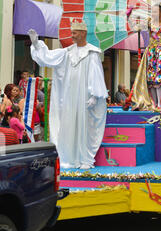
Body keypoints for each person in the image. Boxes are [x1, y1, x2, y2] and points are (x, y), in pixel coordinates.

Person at [28, 19, 108, 169]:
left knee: (85, 126)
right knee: (69, 125)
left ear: (83, 33)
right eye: (71, 32)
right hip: (70, 97)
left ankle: (84, 159)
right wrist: (37, 44)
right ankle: (69, 158)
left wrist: (95, 96)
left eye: (74, 32)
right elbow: (49, 58)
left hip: (85, 97)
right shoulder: (67, 52)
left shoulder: (92, 53)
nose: (71, 35)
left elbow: (96, 75)